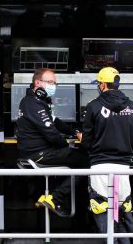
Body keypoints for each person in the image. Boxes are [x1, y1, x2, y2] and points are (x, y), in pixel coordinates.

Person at [81, 67, 133, 244]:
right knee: (121, 223)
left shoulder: (93, 107)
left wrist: (84, 138)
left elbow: (87, 144)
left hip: (100, 170)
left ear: (102, 85)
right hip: (123, 172)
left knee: (105, 224)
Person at [16, 67, 88, 217]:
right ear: (37, 82)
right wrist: (66, 145)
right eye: (50, 82)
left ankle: (53, 197)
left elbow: (54, 121)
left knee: (74, 156)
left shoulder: (38, 102)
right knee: (87, 161)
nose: (53, 86)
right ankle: (56, 198)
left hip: (38, 152)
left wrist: (74, 132)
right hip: (40, 155)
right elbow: (51, 133)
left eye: (54, 83)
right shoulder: (33, 103)